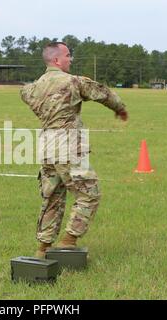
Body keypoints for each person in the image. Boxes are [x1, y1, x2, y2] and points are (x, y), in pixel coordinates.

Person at [20, 42, 128, 258]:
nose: (71, 59)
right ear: (57, 60)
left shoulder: (33, 88)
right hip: (67, 146)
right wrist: (120, 108)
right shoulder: (73, 82)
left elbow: (25, 93)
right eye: (68, 55)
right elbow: (102, 93)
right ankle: (69, 240)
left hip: (46, 146)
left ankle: (43, 249)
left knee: (52, 198)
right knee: (90, 193)